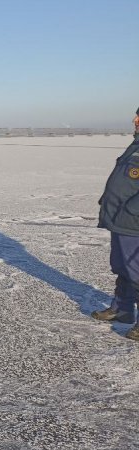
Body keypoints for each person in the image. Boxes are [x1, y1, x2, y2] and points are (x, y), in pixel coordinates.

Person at [96, 107, 139, 341]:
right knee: (122, 266)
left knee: (136, 270)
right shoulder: (135, 144)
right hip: (119, 219)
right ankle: (122, 309)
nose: (135, 119)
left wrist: (130, 211)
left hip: (132, 222)